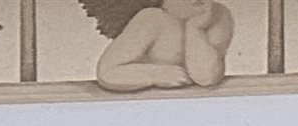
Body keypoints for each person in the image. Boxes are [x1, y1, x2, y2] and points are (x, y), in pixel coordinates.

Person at [87, 0, 233, 91]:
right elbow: (107, 73)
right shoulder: (152, 19)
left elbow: (207, 78)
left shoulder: (216, 15)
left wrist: (195, 29)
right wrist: (155, 74)